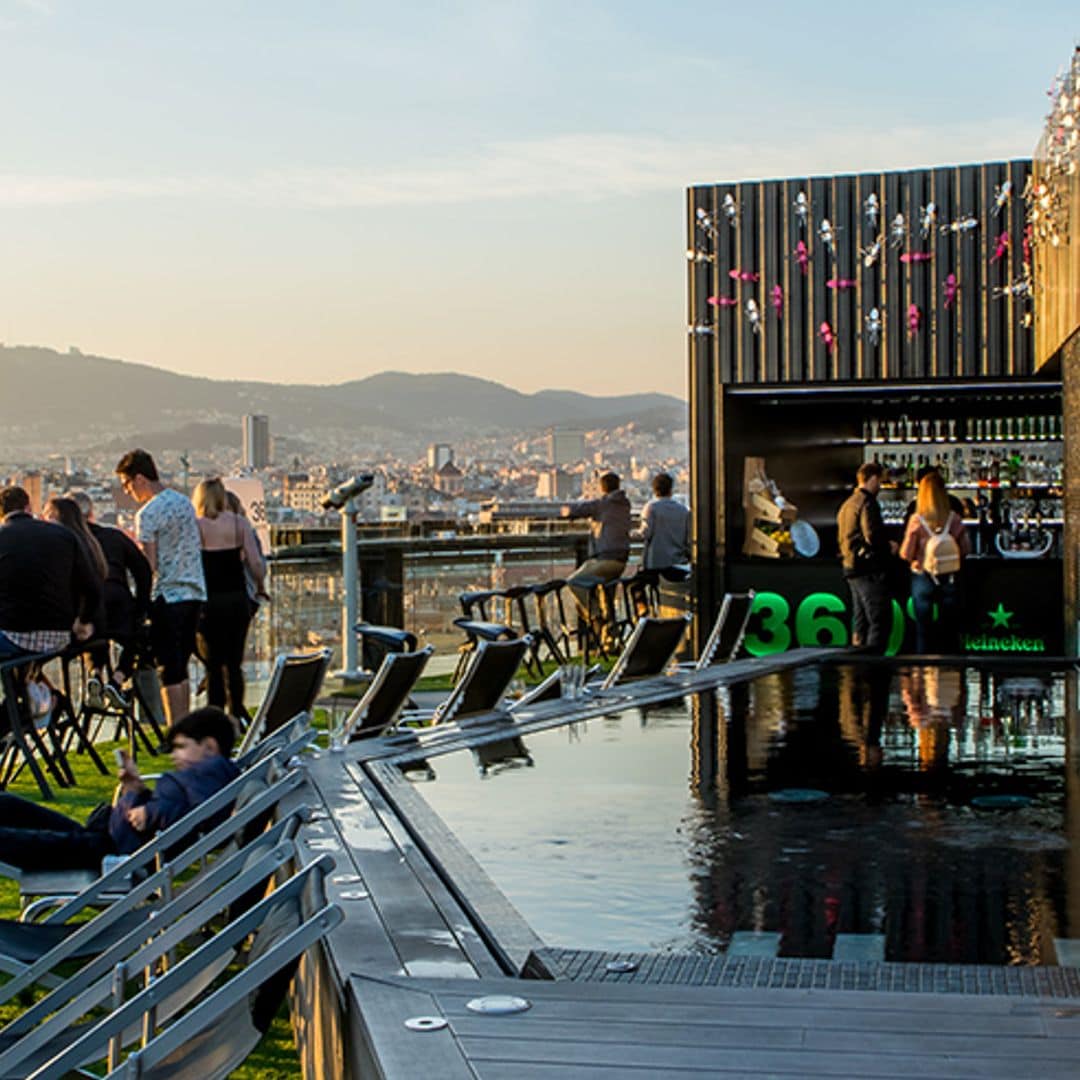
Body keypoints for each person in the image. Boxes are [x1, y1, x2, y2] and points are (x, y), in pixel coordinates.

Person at [0, 706, 239, 871]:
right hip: (109, 839)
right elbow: (183, 809)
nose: (176, 756)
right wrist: (135, 789)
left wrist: (150, 812)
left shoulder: (212, 774)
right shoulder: (207, 774)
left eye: (181, 747)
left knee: (20, 840)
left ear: (208, 746)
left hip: (111, 854)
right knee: (7, 806)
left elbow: (200, 816)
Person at [115, 450, 206, 726]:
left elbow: (149, 564)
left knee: (168, 668)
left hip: (167, 595)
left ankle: (175, 728)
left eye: (127, 485)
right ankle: (185, 725)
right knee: (182, 665)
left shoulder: (148, 513)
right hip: (194, 592)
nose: (128, 492)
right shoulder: (184, 503)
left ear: (140, 478)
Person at [67, 489, 152, 705]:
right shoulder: (114, 536)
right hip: (119, 599)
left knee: (92, 639)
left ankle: (95, 674)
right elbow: (142, 570)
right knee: (134, 639)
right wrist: (141, 606)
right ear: (91, 513)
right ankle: (117, 680)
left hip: (85, 607)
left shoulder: (66, 542)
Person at [192, 478, 267, 722]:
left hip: (208, 602)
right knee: (234, 663)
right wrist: (259, 585)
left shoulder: (197, 526)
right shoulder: (239, 524)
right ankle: (236, 712)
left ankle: (215, 715)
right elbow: (255, 562)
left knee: (213, 664)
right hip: (236, 600)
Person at [0, 486, 101, 661]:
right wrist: (83, 621)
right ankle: (36, 685)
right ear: (28, 508)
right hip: (60, 636)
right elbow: (92, 587)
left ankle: (28, 685)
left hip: (14, 635)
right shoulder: (63, 535)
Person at [899, 470, 970, 654]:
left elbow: (906, 553)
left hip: (922, 576)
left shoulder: (916, 521)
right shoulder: (953, 519)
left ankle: (925, 671)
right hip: (950, 576)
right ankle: (951, 670)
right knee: (949, 629)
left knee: (923, 630)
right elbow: (966, 549)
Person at [561, 472, 632, 642]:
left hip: (605, 559)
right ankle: (609, 640)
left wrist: (564, 511)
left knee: (575, 582)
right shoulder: (625, 504)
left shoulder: (602, 504)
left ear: (602, 487)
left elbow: (574, 510)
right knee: (607, 598)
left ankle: (595, 616)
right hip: (621, 560)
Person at [836, 462, 896, 653]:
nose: (880, 486)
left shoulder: (847, 504)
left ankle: (857, 663)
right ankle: (874, 665)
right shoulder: (868, 503)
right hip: (868, 568)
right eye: (880, 481)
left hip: (851, 567)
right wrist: (889, 546)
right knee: (879, 618)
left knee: (860, 620)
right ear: (873, 479)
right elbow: (872, 535)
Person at [639, 473, 691, 579]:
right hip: (677, 563)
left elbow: (645, 534)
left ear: (654, 489)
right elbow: (688, 538)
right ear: (670, 489)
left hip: (655, 564)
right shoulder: (683, 510)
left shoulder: (651, 508)